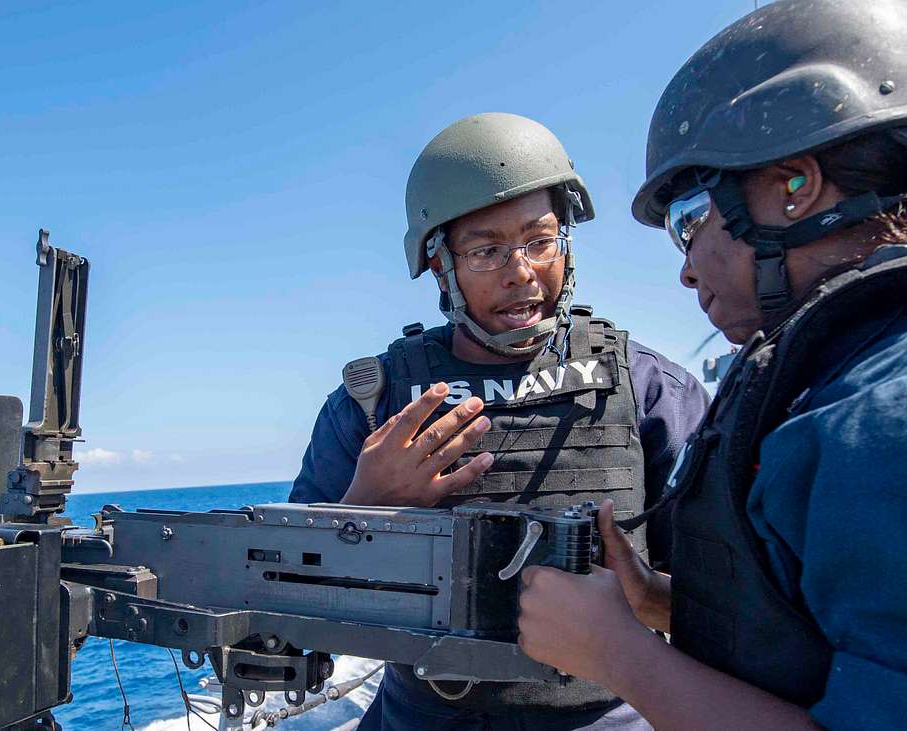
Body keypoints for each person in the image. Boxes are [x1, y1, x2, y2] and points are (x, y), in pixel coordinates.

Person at [516, 2, 907, 729]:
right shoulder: (834, 381)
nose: (687, 271)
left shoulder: (875, 421)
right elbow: (814, 633)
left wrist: (618, 654)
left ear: (796, 185)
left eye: (689, 220)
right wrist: (657, 600)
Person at [291, 112, 709, 730]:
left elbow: (732, 606)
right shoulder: (372, 403)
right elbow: (286, 601)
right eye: (486, 250)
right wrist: (367, 505)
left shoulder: (649, 390)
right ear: (440, 266)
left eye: (540, 241)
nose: (521, 271)